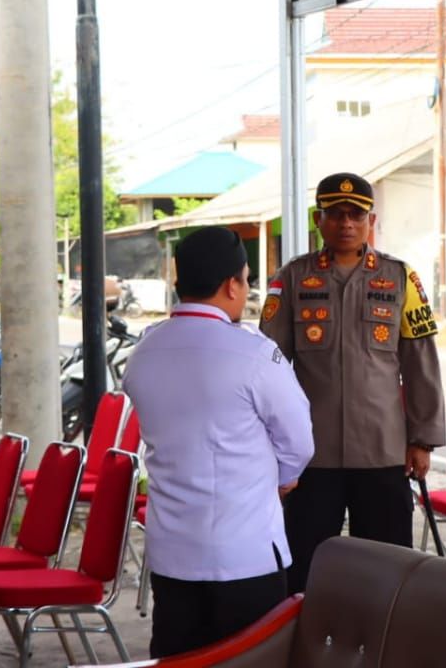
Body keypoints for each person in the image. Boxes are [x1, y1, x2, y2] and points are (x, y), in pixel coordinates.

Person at [122, 226, 314, 658]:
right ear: (232, 285)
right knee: (247, 659)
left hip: (172, 553)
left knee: (178, 659)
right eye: (246, 279)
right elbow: (299, 442)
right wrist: (282, 479)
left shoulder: (144, 352)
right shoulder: (253, 354)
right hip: (245, 554)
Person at [259, 172, 445, 594]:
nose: (346, 223)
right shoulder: (291, 279)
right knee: (303, 562)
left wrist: (422, 439)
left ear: (371, 220)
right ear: (318, 219)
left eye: (356, 215)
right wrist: (270, 439)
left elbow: (421, 364)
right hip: (311, 452)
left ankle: (381, 644)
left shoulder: (401, 279)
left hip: (382, 449)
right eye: (336, 214)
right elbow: (266, 364)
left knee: (387, 566)